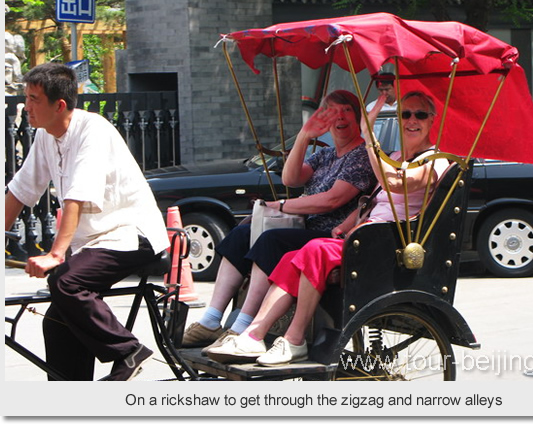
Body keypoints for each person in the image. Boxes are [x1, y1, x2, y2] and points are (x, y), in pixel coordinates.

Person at [207, 90, 449, 365]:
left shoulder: (436, 160)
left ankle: (294, 339)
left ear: (432, 120)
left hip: (390, 243)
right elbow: (373, 199)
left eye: (419, 115)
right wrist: (347, 224)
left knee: (314, 249)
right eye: (405, 114)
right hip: (365, 233)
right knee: (288, 257)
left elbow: (398, 183)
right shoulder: (394, 155)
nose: (411, 120)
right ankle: (253, 334)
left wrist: (369, 139)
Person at [4, 62, 170, 381]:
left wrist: (55, 255)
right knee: (56, 321)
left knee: (66, 281)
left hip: (130, 234)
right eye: (26, 97)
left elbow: (76, 197)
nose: (27, 107)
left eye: (35, 99)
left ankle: (128, 350)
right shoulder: (45, 136)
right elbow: (20, 190)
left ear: (60, 104)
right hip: (94, 243)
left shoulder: (92, 129)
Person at [182, 90, 377, 350]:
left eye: (346, 110)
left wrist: (283, 206)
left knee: (271, 240)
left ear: (358, 117)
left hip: (331, 234)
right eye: (332, 111)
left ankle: (242, 326)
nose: (340, 117)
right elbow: (291, 179)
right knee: (242, 234)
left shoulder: (362, 154)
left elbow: (332, 200)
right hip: (305, 228)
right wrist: (305, 136)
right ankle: (211, 319)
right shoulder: (326, 155)